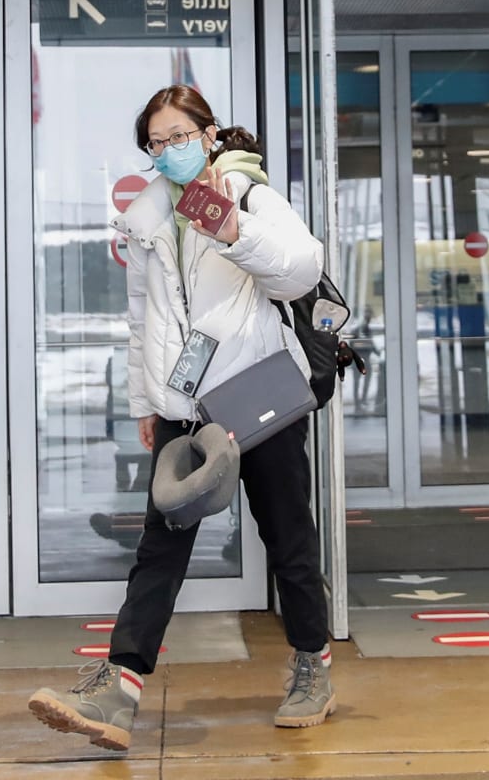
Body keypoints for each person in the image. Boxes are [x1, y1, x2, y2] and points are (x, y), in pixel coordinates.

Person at [28, 84, 334, 752]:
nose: (168, 150)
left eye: (179, 136)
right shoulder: (144, 219)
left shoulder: (251, 197)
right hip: (184, 408)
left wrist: (233, 230)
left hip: (258, 398)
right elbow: (142, 320)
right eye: (156, 142)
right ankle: (121, 690)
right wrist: (146, 403)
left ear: (209, 132)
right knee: (159, 549)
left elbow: (301, 270)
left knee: (286, 538)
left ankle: (312, 664)